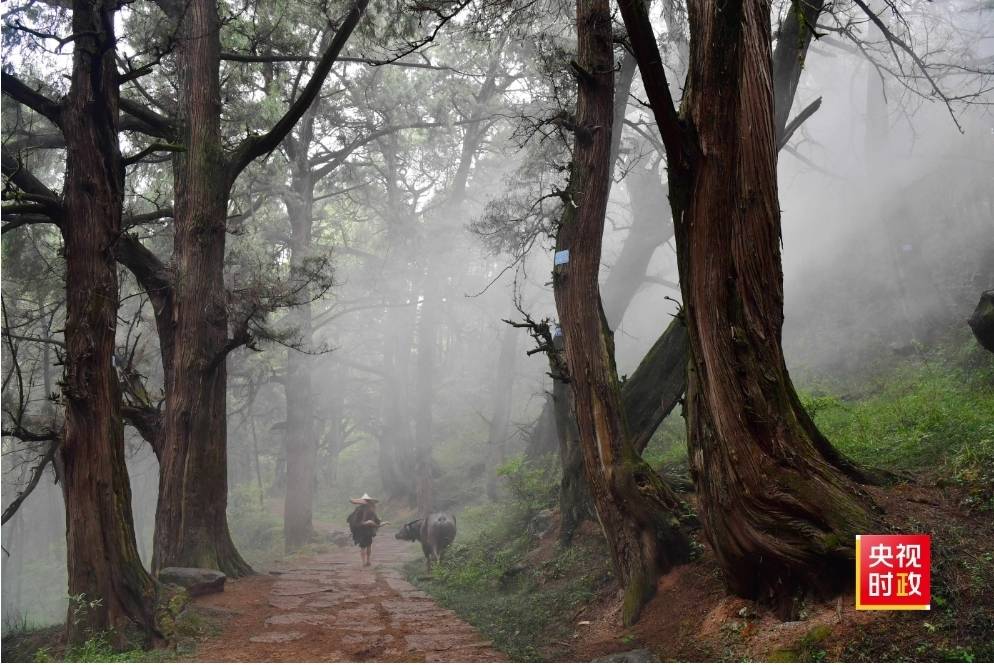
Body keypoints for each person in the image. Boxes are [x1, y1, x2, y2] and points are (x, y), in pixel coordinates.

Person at [346, 493, 385, 566]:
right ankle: (367, 561)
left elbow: (353, 520)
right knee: (368, 545)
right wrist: (376, 522)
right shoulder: (370, 509)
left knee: (364, 547)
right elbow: (376, 520)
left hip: (362, 531)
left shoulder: (359, 509)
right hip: (366, 530)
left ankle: (365, 562)